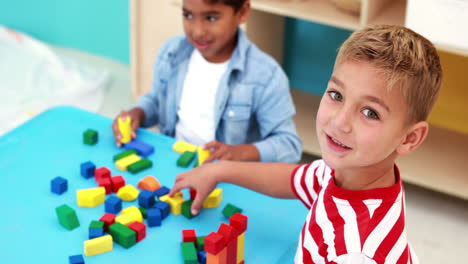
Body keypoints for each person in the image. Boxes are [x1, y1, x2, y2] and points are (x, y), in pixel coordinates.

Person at [169, 25, 443, 263]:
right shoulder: (348, 172)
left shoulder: (356, 252)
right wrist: (219, 170)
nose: (339, 122)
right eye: (336, 95)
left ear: (409, 138)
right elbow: (293, 179)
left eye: (370, 112)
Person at [112, 0, 302, 163]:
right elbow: (157, 100)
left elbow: (289, 145)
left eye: (211, 18)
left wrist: (238, 153)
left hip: (227, 176)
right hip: (175, 162)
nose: (197, 31)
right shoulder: (171, 53)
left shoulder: (265, 76)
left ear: (242, 12)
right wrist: (138, 114)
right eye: (188, 15)